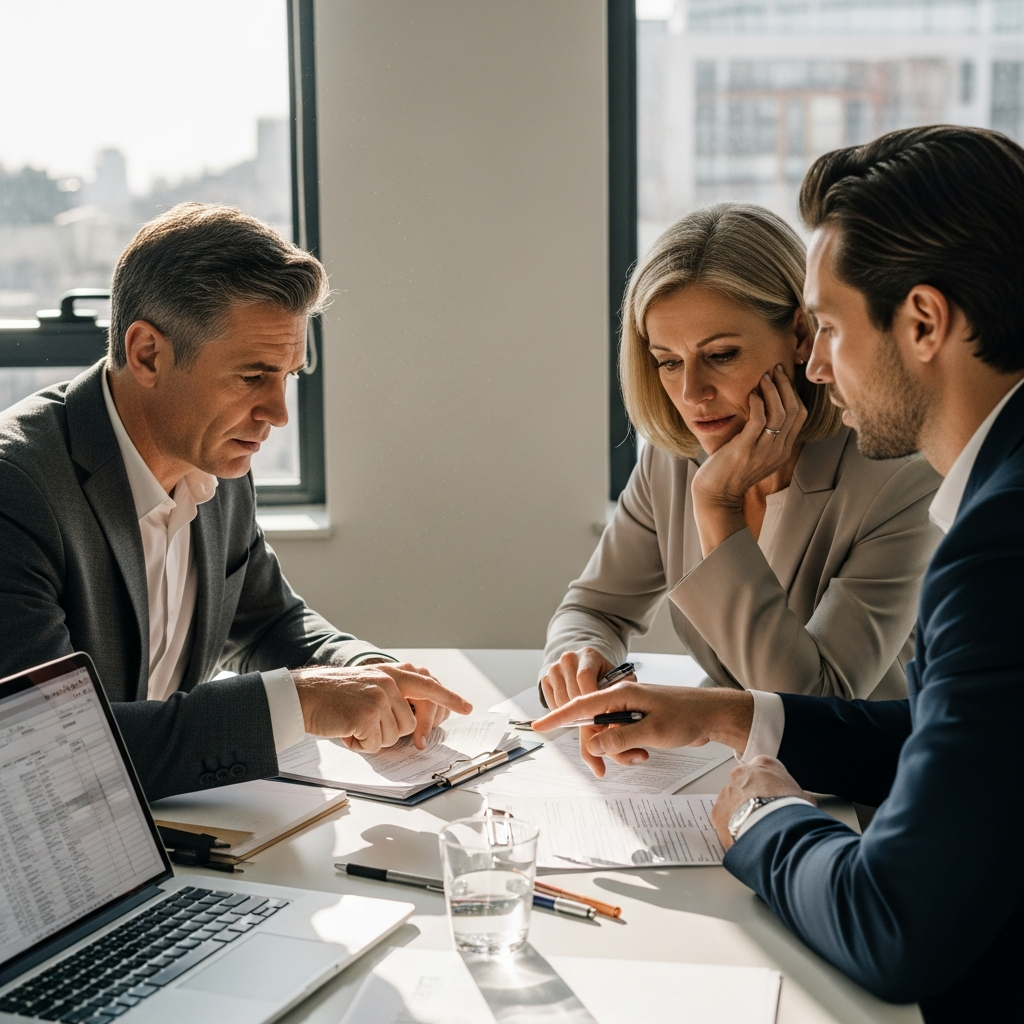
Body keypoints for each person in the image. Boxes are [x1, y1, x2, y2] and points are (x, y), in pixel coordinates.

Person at [534, 125, 1023, 1020]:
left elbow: (895, 927)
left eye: (826, 328)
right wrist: (729, 716)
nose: (817, 363)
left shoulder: (996, 540)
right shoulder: (1000, 501)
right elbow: (948, 728)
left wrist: (759, 819)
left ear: (921, 321)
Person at [0, 203, 472, 802]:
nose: (277, 414)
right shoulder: (17, 490)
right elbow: (52, 754)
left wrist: (366, 673)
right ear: (147, 353)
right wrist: (301, 700)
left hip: (179, 828)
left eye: (288, 377)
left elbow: (268, 621)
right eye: (252, 377)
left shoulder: (216, 463)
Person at [540, 201, 940, 775]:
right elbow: (594, 608)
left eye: (721, 356)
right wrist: (581, 657)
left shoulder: (897, 477)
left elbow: (813, 704)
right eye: (667, 362)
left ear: (800, 334)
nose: (693, 393)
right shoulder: (672, 457)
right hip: (714, 773)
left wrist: (719, 507)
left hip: (850, 798)